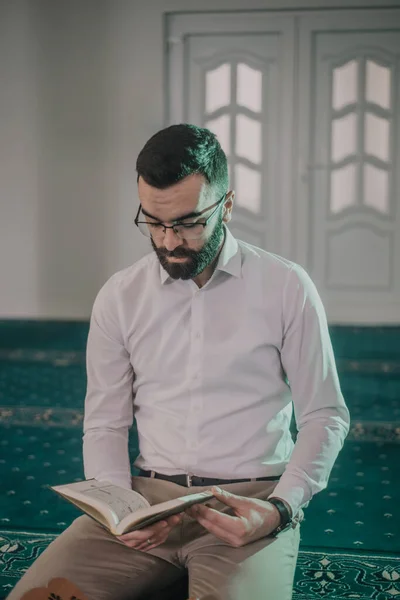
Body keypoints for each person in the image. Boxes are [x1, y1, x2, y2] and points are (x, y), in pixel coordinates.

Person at [8, 124, 350, 600]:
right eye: (153, 221)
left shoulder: (287, 288)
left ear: (226, 205)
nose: (169, 241)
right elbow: (105, 422)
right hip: (147, 503)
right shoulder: (120, 296)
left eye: (188, 223)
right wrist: (118, 508)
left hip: (246, 506)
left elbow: (325, 415)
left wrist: (280, 509)